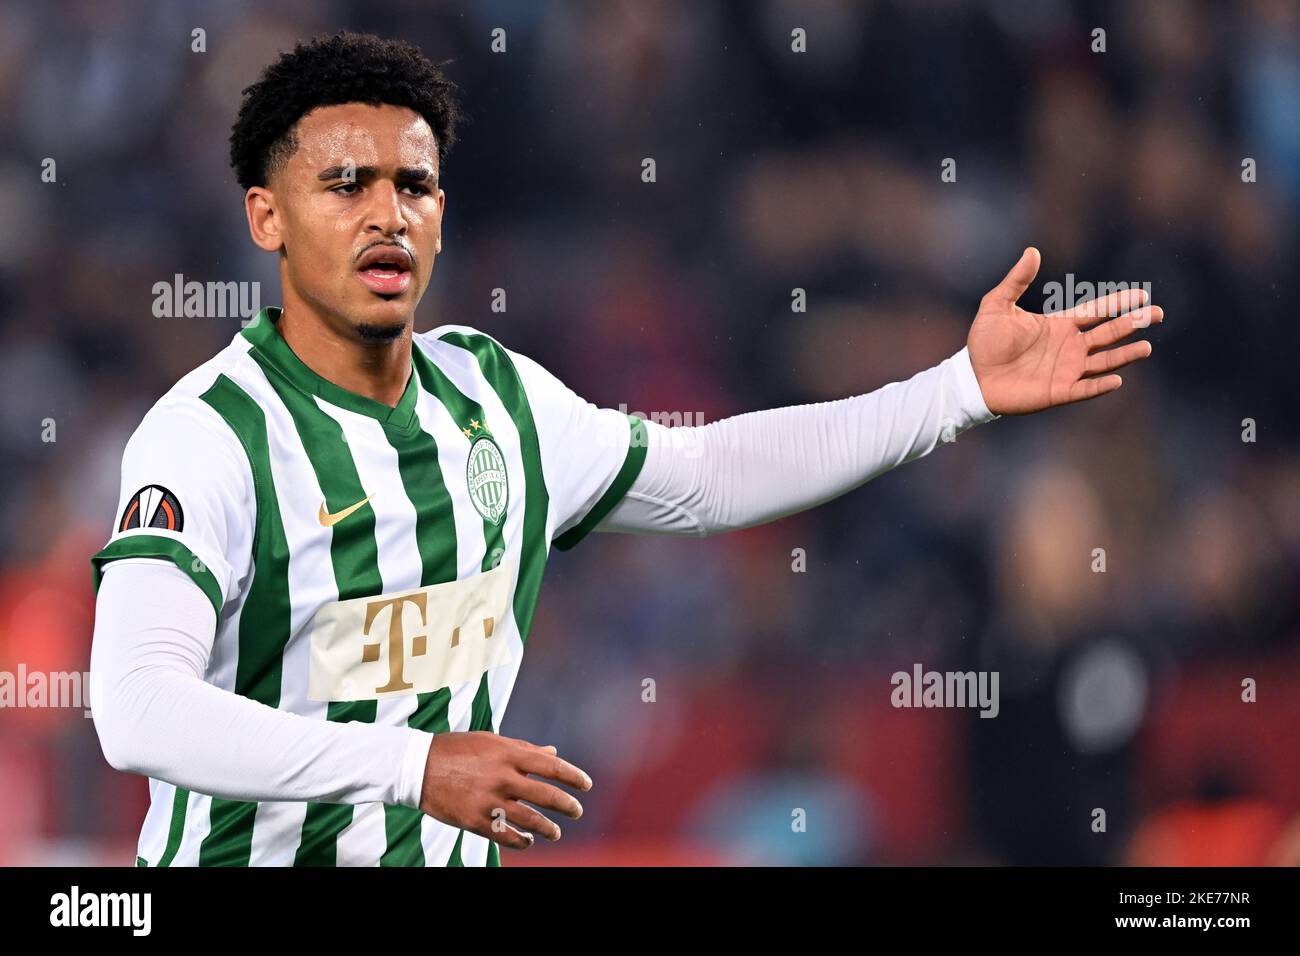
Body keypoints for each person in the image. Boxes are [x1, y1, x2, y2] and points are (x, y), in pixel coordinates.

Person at [88, 31, 1162, 866]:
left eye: (411, 185)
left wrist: (954, 390)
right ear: (266, 217)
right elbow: (134, 708)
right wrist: (412, 764)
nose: (387, 216)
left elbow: (706, 477)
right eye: (344, 185)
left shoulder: (492, 397)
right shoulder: (208, 434)